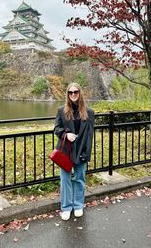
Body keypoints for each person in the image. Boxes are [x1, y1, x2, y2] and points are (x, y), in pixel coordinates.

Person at [54, 82, 94, 221]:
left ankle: (78, 205)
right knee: (65, 179)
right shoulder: (61, 111)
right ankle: (66, 207)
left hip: (81, 150)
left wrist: (87, 153)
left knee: (79, 179)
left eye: (75, 92)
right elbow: (56, 129)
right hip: (66, 150)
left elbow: (89, 135)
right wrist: (66, 135)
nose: (73, 95)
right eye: (70, 93)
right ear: (67, 94)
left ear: (80, 93)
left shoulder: (89, 113)